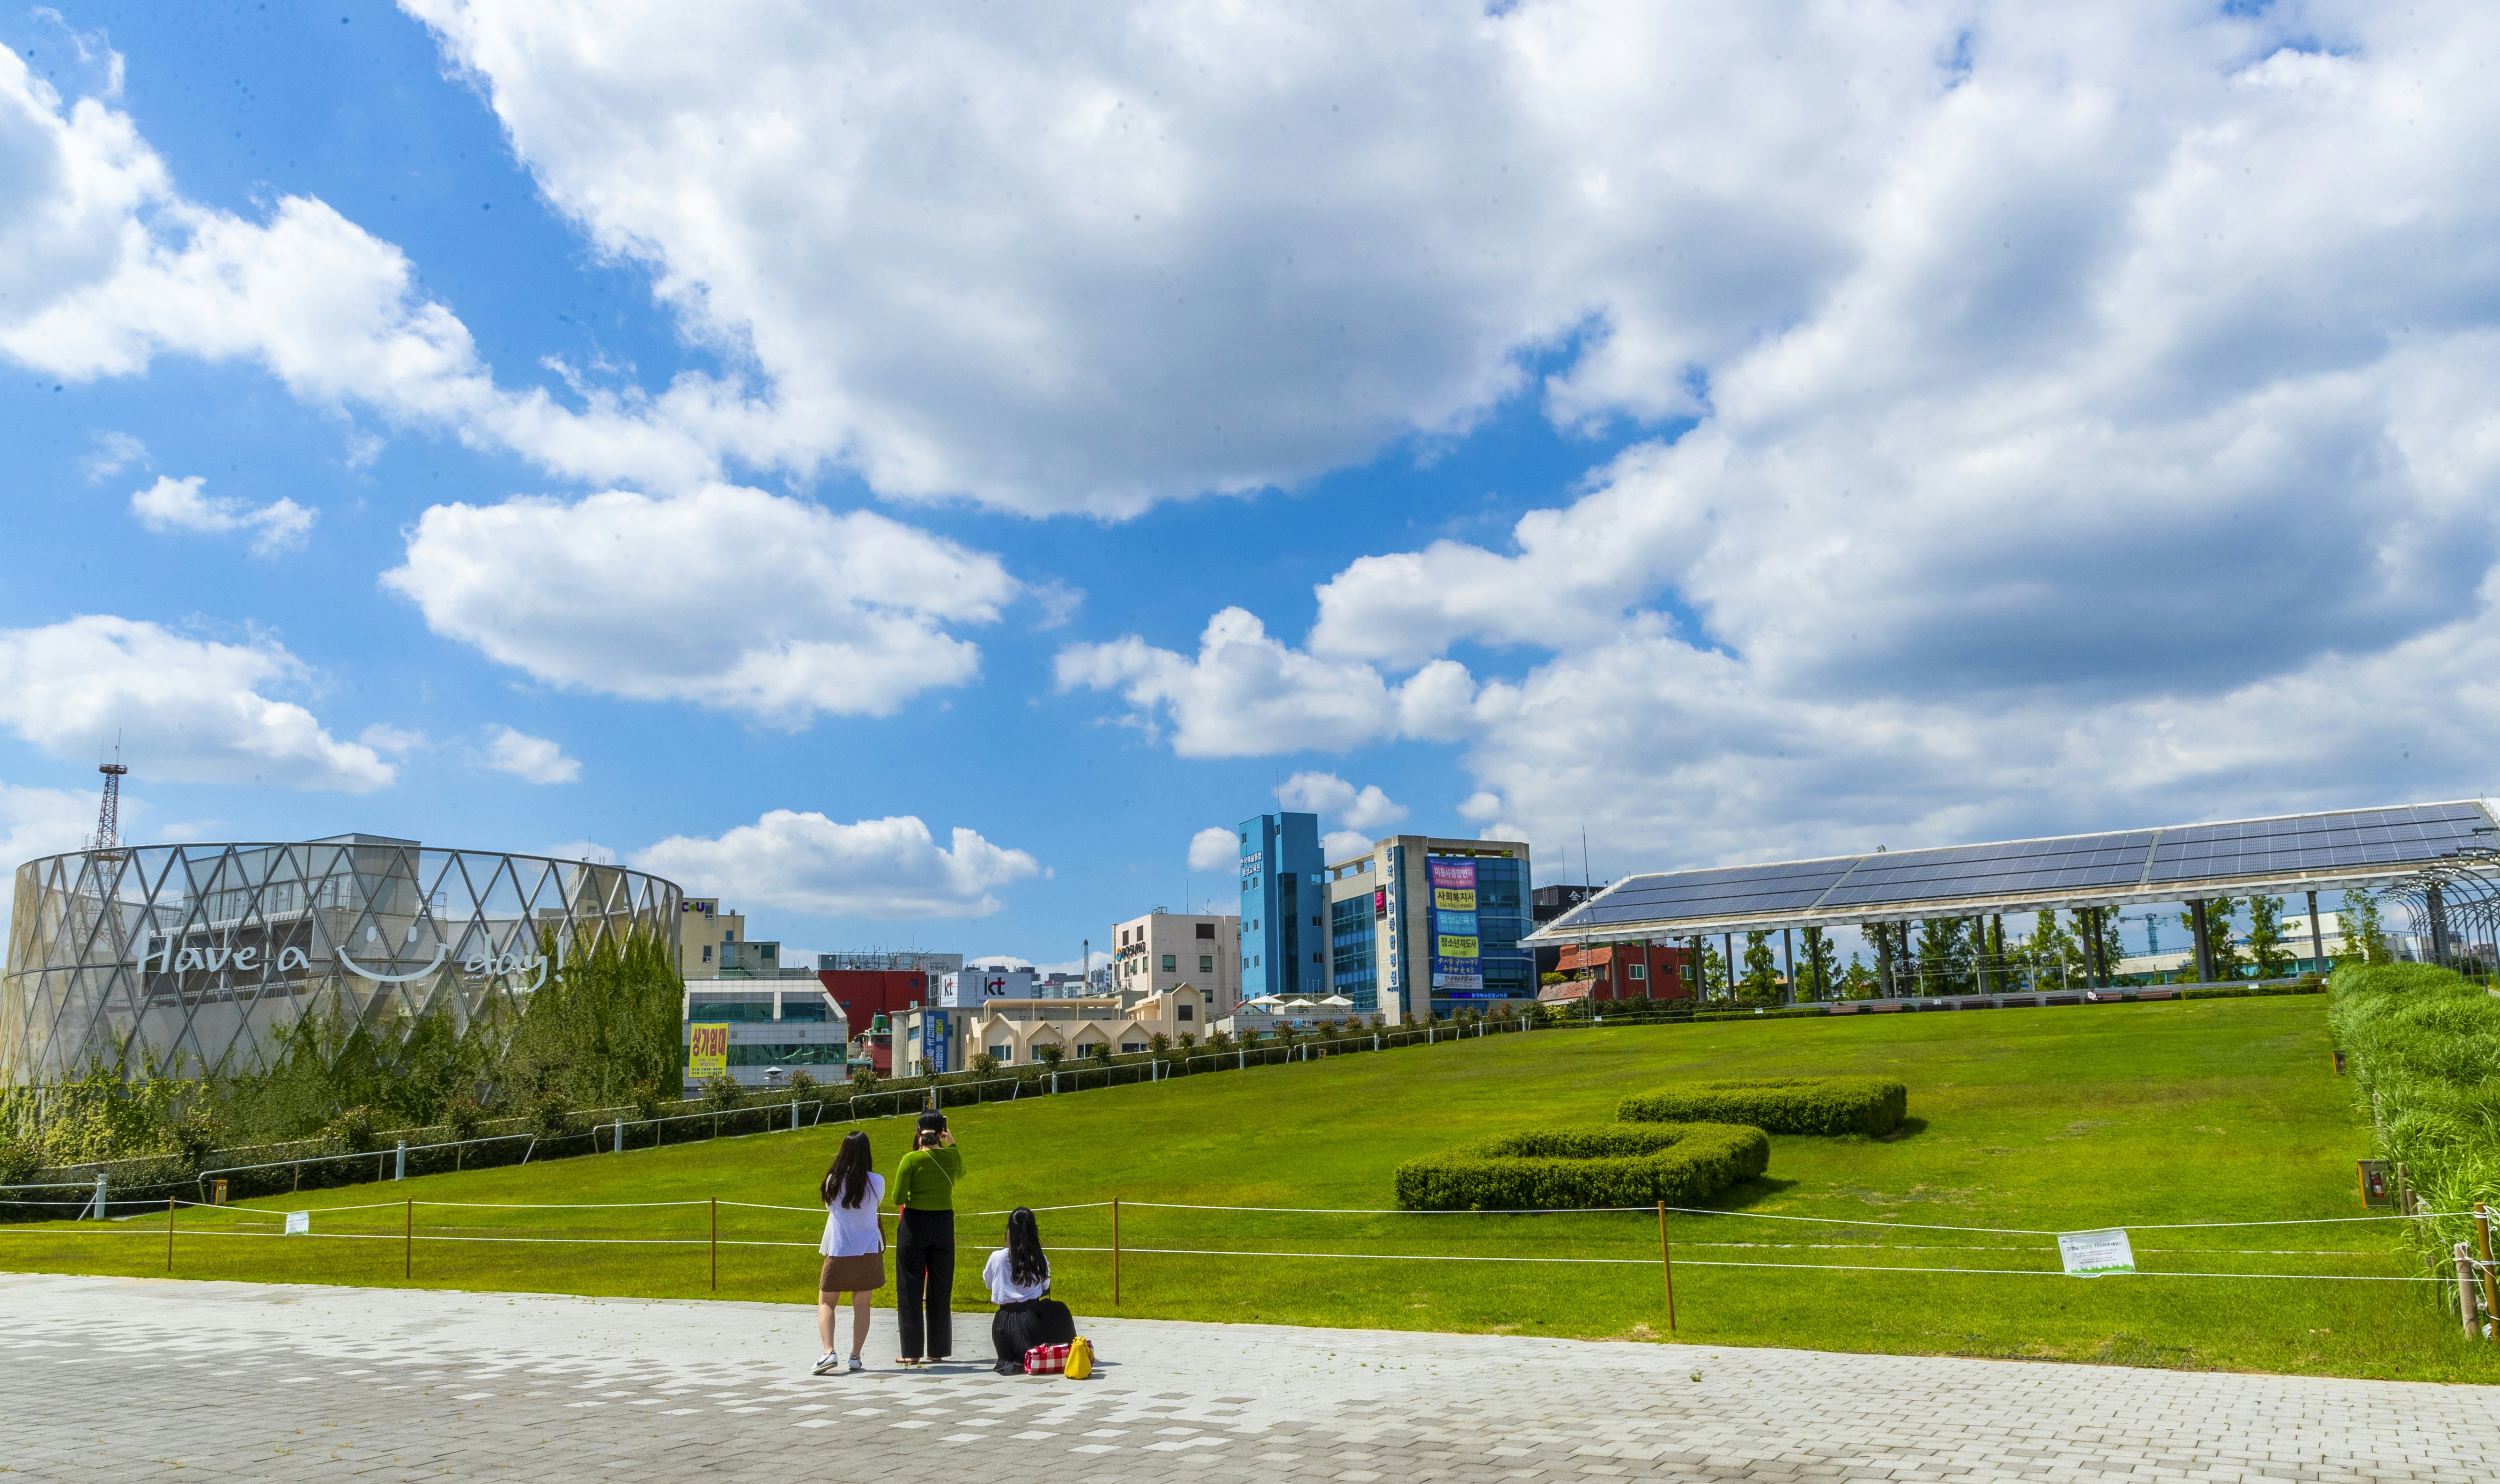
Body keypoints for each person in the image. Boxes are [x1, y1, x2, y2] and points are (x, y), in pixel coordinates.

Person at [892, 1113, 964, 1365]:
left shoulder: (911, 1160)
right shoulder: (952, 1157)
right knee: (941, 1287)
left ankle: (912, 1352)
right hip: (944, 1224)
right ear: (942, 1131)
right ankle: (938, 1350)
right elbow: (962, 1172)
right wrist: (952, 1142)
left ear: (918, 1131)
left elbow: (898, 1198)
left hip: (915, 1224)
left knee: (910, 1287)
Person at [814, 1131, 885, 1375]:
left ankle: (828, 1352)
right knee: (862, 1305)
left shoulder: (833, 1180)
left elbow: (829, 1207)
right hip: (869, 1250)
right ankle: (856, 1355)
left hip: (840, 1249)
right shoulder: (877, 1181)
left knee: (826, 1302)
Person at [984, 1206, 1077, 1374]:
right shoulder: (1039, 1257)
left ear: (1009, 1231)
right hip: (1031, 1319)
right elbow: (1045, 1287)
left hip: (1004, 1324)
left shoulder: (996, 1257)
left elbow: (989, 1284)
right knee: (1060, 1309)